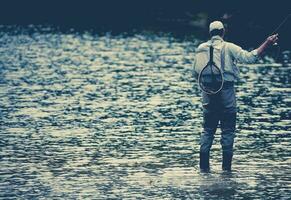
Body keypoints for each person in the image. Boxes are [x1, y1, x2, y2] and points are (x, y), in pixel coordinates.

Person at [193, 21, 278, 172]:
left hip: (208, 95)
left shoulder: (200, 49)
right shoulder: (229, 47)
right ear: (223, 32)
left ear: (210, 33)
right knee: (228, 131)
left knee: (207, 130)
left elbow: (196, 73)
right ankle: (226, 171)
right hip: (227, 94)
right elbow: (251, 57)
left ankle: (203, 171)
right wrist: (267, 42)